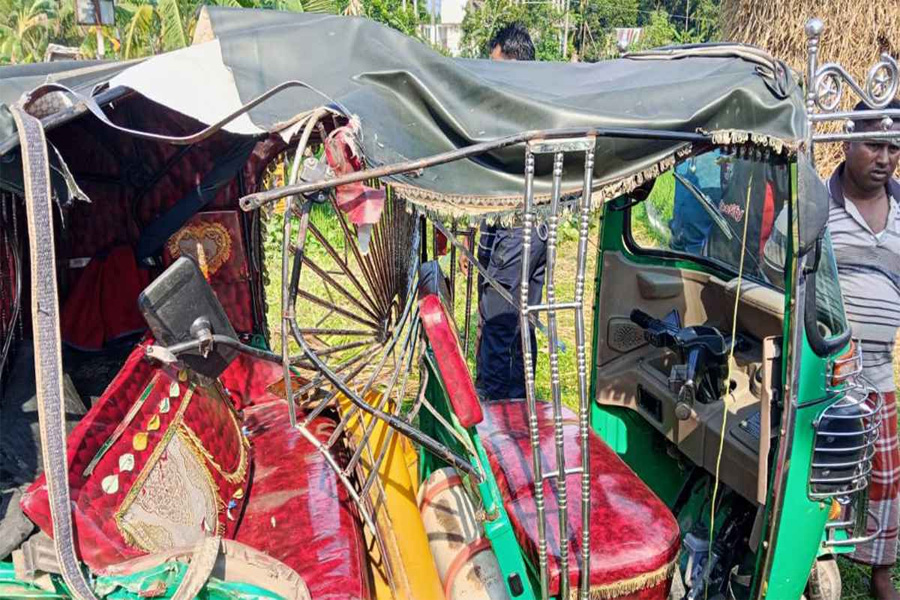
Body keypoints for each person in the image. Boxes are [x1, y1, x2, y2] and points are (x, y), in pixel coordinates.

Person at [830, 99, 900, 600]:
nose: (885, 158)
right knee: (825, 474)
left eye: (893, 148)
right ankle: (818, 561)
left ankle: (880, 572)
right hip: (827, 375)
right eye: (874, 145)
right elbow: (778, 264)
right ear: (846, 143)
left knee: (885, 479)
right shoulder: (817, 204)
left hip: (879, 374)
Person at [465, 23, 546, 400]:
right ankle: (519, 400)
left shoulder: (515, 110)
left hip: (516, 225)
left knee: (499, 318)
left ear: (515, 62)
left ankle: (495, 404)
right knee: (521, 320)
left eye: (497, 66)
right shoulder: (537, 104)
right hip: (533, 226)